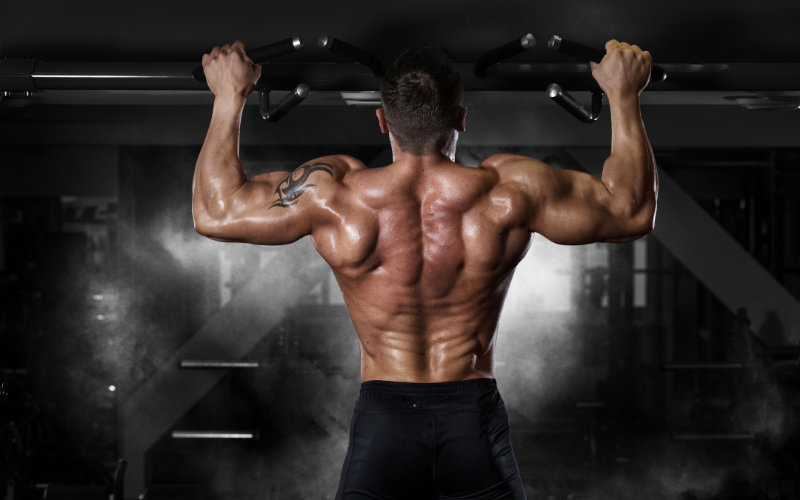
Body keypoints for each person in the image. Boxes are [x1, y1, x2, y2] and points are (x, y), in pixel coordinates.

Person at [193, 39, 658, 500]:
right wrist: (623, 94)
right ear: (461, 118)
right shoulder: (510, 192)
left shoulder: (334, 195)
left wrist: (229, 96)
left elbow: (215, 213)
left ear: (382, 120)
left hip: (385, 424)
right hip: (472, 421)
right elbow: (632, 211)